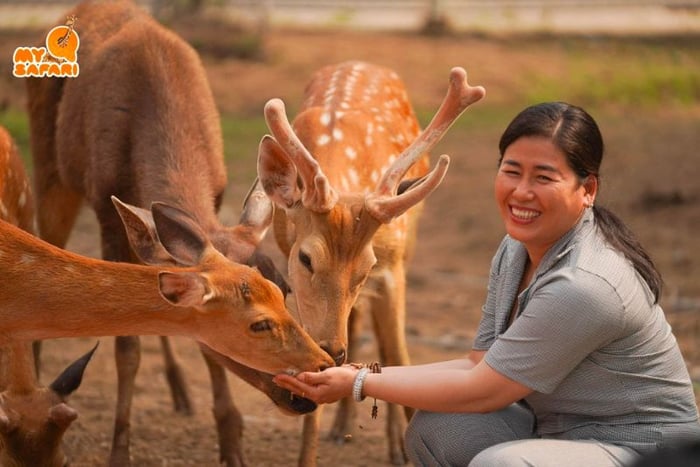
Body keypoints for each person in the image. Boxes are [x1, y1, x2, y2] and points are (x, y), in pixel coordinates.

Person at [273, 102, 700, 466]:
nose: (521, 192)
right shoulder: (517, 250)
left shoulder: (585, 285)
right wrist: (359, 372)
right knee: (438, 429)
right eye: (512, 172)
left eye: (544, 178)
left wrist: (358, 384)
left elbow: (485, 391)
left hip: (643, 451)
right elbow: (478, 365)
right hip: (559, 430)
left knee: (501, 463)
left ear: (587, 189)